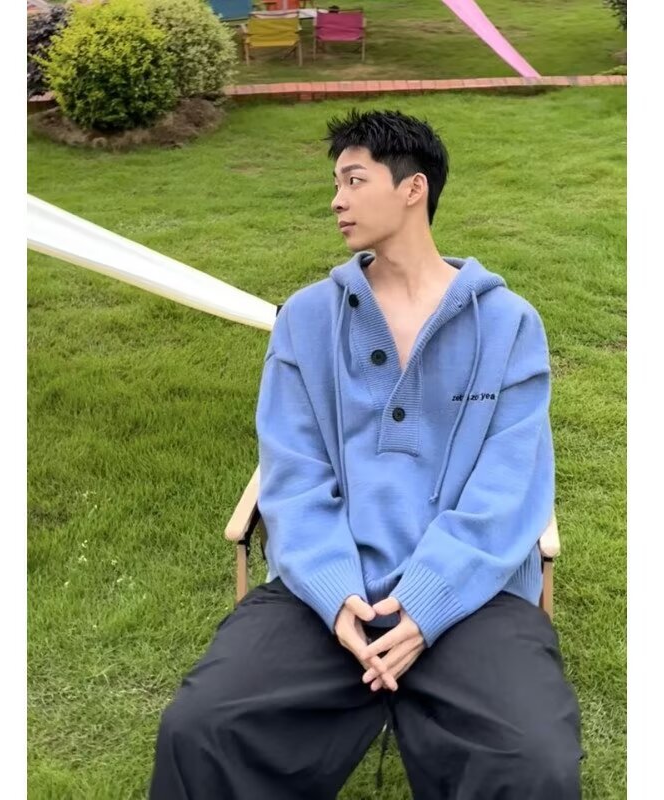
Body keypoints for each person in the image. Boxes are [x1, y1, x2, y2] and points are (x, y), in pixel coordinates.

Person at [149, 108, 582, 799]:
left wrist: (428, 603)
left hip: (472, 591)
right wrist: (333, 592)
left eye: (354, 180)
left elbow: (508, 486)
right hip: (328, 588)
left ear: (413, 189)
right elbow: (292, 472)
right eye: (336, 183)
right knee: (201, 727)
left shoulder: (508, 324)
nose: (336, 200)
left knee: (533, 759)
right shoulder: (305, 318)